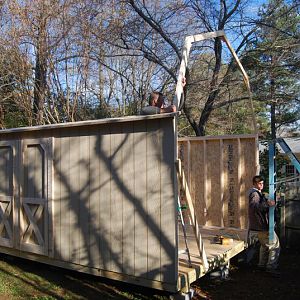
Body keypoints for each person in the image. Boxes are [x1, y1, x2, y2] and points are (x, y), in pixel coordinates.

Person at [248, 175, 280, 275]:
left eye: (262, 183)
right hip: (262, 226)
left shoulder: (257, 193)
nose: (261, 185)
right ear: (254, 184)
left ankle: (261, 266)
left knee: (264, 246)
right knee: (275, 245)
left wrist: (266, 201)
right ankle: (270, 267)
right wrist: (267, 204)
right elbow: (254, 207)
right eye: (259, 183)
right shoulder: (254, 194)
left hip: (259, 226)